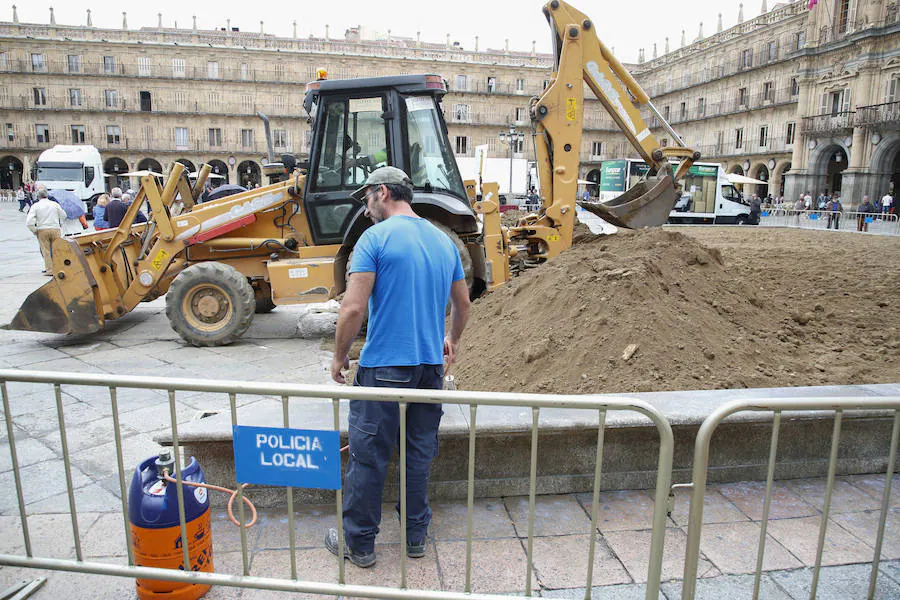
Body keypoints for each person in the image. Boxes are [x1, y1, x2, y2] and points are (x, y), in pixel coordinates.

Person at [325, 166, 471, 568]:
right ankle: (415, 538)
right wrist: (451, 342)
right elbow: (463, 306)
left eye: (367, 197)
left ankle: (360, 544)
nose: (366, 206)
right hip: (429, 369)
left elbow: (353, 307)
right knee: (419, 454)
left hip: (384, 367)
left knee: (369, 457)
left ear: (383, 193)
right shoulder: (443, 242)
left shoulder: (373, 238)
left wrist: (339, 356)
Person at [25, 188, 67, 275]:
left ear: (38, 197)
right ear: (47, 196)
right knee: (57, 249)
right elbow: (63, 215)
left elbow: (29, 222)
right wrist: (60, 224)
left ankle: (50, 270)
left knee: (46, 251)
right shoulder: (54, 204)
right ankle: (59, 267)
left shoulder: (35, 206)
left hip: (42, 229)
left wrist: (34, 230)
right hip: (55, 228)